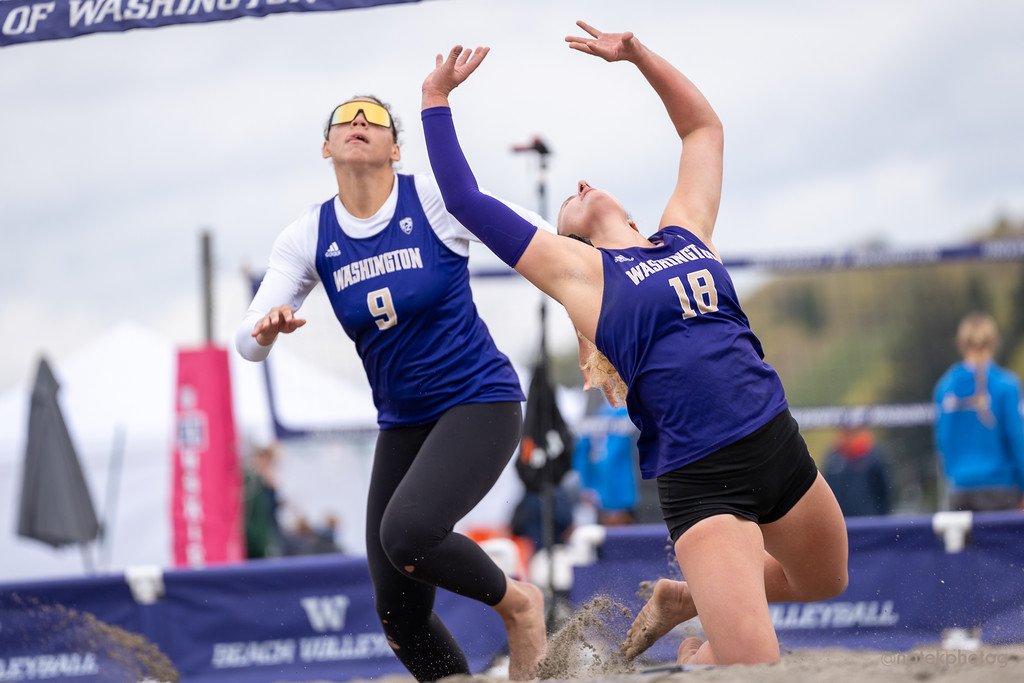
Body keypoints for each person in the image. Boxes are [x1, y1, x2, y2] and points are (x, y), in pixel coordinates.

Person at [419, 22, 849, 666]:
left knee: (825, 581)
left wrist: (638, 55)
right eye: (568, 200)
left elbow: (703, 130)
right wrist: (435, 100)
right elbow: (464, 198)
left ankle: (690, 600)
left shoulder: (683, 234)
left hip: (775, 438)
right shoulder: (582, 276)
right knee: (756, 667)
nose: (582, 185)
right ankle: (705, 633)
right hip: (704, 477)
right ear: (567, 239)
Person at [235, 95, 548, 681]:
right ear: (326, 147)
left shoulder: (432, 200)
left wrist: (589, 308)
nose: (358, 123)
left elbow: (541, 239)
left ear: (395, 150)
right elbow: (246, 344)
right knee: (398, 613)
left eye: (374, 119)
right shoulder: (308, 235)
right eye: (344, 119)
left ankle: (519, 604)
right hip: (403, 420)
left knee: (407, 533)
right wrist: (266, 329)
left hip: (479, 399)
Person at [933, 312, 1024, 512]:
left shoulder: (945, 387)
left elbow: (942, 441)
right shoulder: (1006, 386)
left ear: (960, 343)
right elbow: (1017, 439)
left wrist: (956, 475)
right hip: (1001, 488)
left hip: (960, 488)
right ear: (995, 342)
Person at [821, 426, 892, 517]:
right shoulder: (834, 456)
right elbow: (826, 491)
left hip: (869, 521)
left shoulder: (874, 456)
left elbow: (883, 492)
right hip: (841, 520)